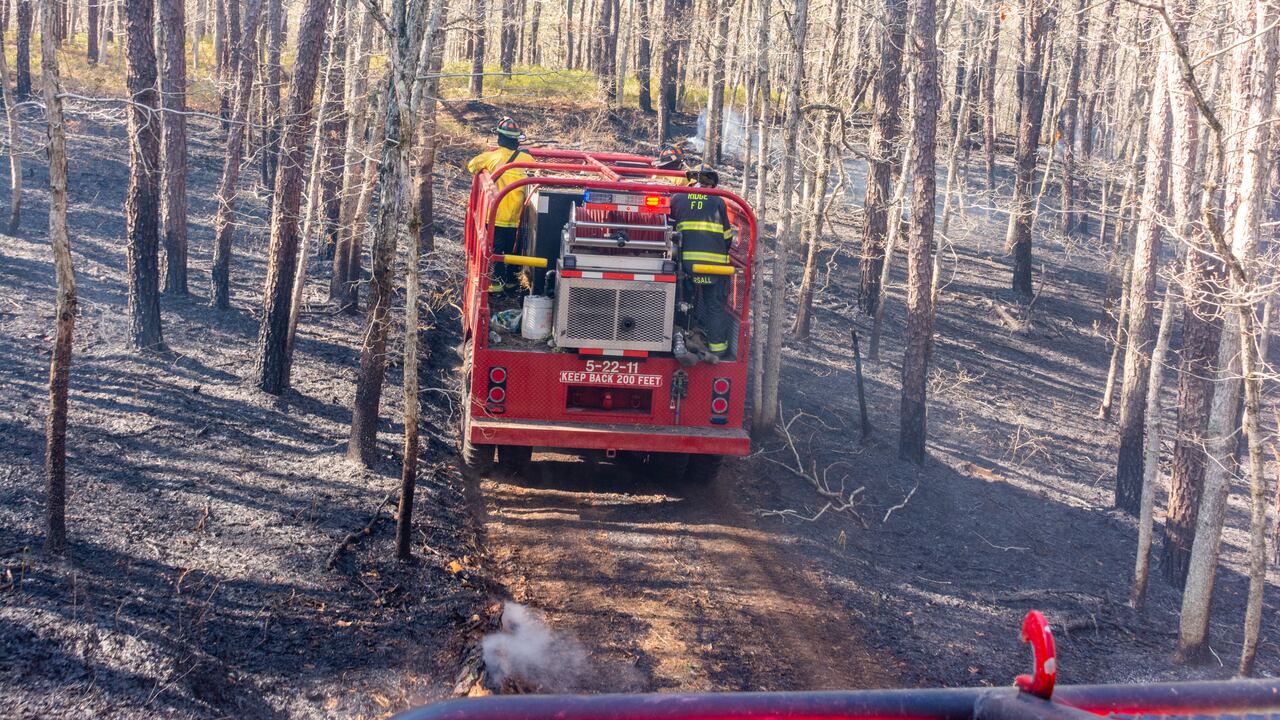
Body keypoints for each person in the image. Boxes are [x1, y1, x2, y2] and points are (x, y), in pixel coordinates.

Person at [668, 168, 733, 365]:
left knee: (682, 303)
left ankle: (681, 339)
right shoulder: (719, 201)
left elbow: (669, 231)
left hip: (685, 266)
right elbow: (727, 238)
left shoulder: (678, 199)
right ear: (712, 185)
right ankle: (717, 350)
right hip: (715, 268)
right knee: (713, 305)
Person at [467, 117, 534, 293]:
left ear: (499, 138)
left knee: (495, 252)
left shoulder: (492, 157)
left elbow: (472, 165)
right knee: (514, 251)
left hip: (495, 216)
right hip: (518, 218)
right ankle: (512, 284)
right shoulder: (527, 159)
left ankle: (496, 284)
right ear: (517, 140)